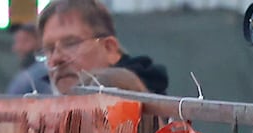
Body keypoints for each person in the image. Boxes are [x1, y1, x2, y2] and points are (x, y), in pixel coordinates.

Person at [37, 0, 168, 96]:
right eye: (49, 49)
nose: (56, 59)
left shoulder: (159, 116)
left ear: (109, 48)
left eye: (71, 43)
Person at [5, 24, 53, 96]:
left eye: (24, 41)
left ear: (40, 41)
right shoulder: (26, 74)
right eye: (17, 42)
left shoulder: (43, 72)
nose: (17, 48)